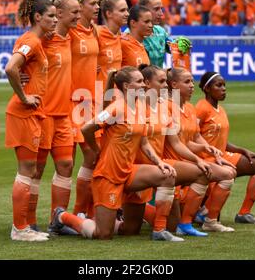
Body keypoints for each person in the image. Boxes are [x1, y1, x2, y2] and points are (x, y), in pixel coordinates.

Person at [48, 67, 179, 241]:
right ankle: (62, 217)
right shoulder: (116, 108)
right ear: (126, 86)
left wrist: (158, 162)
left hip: (129, 170)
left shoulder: (140, 107)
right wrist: (96, 149)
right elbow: (87, 128)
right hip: (108, 174)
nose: (143, 85)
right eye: (139, 82)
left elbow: (144, 142)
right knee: (103, 234)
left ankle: (159, 230)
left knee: (167, 175)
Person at [121, 65, 236, 238]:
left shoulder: (164, 107)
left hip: (159, 164)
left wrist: (200, 158)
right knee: (115, 231)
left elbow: (177, 142)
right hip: (135, 167)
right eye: (161, 82)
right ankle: (81, 217)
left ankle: (181, 221)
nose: (165, 86)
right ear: (146, 83)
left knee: (170, 225)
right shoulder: (131, 106)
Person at [27, 0, 81, 235]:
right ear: (59, 14)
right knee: (35, 170)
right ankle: (27, 221)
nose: (78, 17)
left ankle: (57, 220)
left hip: (64, 114)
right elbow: (20, 58)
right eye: (74, 13)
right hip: (43, 113)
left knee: (66, 165)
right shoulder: (43, 40)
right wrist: (22, 78)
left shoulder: (69, 37)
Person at [4, 0, 57, 242]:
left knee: (30, 170)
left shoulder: (37, 41)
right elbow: (10, 67)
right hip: (23, 112)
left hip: (32, 113)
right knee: (26, 171)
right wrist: (24, 97)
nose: (55, 20)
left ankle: (23, 226)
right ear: (38, 17)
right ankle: (19, 229)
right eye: (51, 16)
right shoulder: (31, 41)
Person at [73, 0, 129, 218]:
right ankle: (78, 212)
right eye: (122, 10)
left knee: (103, 159)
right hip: (90, 101)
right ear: (109, 14)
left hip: (111, 105)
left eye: (128, 10)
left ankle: (95, 211)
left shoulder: (119, 38)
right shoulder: (97, 33)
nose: (126, 13)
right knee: (91, 157)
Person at [163, 68, 237, 233]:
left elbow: (194, 137)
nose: (192, 86)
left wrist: (209, 150)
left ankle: (204, 220)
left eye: (192, 81)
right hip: (170, 161)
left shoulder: (189, 107)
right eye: (187, 82)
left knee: (228, 173)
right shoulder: (166, 108)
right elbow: (176, 144)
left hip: (185, 160)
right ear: (174, 84)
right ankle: (194, 217)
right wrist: (199, 159)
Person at [196, 72, 255, 226]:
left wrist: (242, 150)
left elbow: (220, 139)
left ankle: (244, 213)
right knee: (210, 203)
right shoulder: (201, 108)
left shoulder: (220, 109)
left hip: (221, 155)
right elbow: (192, 135)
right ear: (207, 89)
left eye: (224, 85)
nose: (224, 89)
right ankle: (202, 212)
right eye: (219, 85)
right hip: (206, 158)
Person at [69, 0, 101, 219]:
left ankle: (81, 212)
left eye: (98, 3)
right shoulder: (69, 32)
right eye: (93, 3)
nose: (97, 7)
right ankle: (55, 217)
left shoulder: (94, 32)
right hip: (69, 101)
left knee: (93, 156)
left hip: (89, 102)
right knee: (65, 163)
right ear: (79, 6)